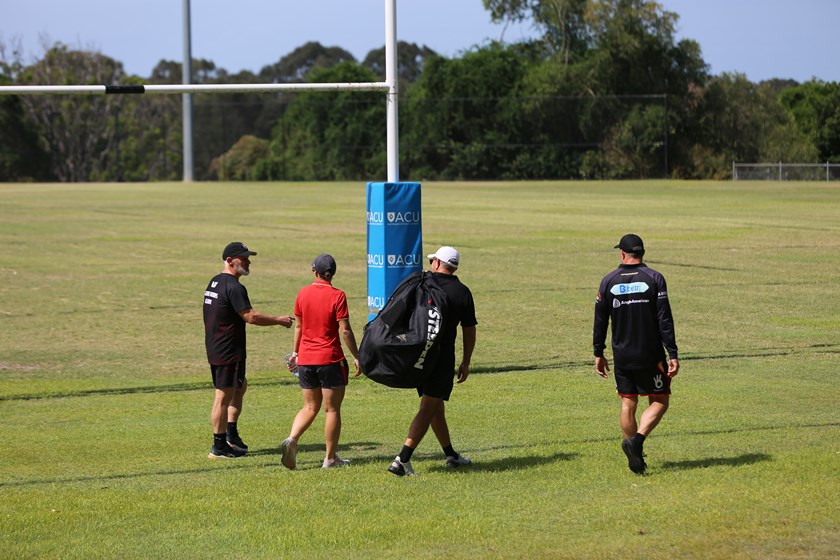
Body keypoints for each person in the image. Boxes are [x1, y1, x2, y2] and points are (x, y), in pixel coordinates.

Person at [593, 234, 680, 474]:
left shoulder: (608, 281)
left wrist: (598, 352)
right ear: (642, 253)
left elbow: (600, 321)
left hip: (622, 355)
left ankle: (636, 459)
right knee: (660, 400)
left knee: (628, 402)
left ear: (622, 253)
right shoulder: (654, 278)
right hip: (650, 354)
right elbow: (665, 319)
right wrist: (672, 352)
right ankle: (637, 441)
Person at [388, 246, 477, 476]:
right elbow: (469, 330)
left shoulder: (422, 284)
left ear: (437, 263)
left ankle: (451, 455)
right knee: (428, 408)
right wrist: (466, 361)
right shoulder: (463, 292)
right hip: (442, 360)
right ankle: (402, 459)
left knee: (436, 408)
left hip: (419, 356)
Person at [203, 241, 294, 459]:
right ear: (229, 260)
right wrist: (279, 320)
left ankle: (230, 434)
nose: (247, 261)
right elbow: (251, 317)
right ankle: (219, 446)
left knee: (240, 386)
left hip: (218, 345)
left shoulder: (215, 282)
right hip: (227, 349)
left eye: (247, 257)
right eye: (243, 258)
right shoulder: (234, 287)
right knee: (222, 397)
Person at [280, 254, 361, 470]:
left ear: (315, 272)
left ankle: (292, 439)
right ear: (331, 274)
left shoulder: (303, 293)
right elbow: (345, 330)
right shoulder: (338, 296)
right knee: (332, 410)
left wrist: (296, 353)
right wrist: (357, 355)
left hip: (306, 358)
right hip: (330, 359)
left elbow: (299, 326)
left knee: (309, 406)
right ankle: (330, 458)